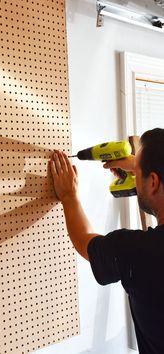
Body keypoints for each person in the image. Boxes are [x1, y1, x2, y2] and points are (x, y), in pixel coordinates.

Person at [49, 128, 164, 354]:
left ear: (153, 181)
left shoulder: (137, 251)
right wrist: (139, 165)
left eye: (138, 173)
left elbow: (85, 242)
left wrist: (69, 196)